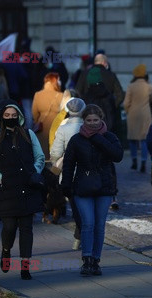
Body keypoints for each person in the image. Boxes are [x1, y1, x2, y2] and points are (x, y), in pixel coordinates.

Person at [0, 99, 45, 280]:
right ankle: (6, 250)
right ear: (1, 117)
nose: (11, 118)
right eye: (7, 115)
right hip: (8, 190)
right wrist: (0, 178)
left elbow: (40, 156)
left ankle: (25, 266)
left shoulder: (28, 134)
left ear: (19, 116)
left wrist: (34, 171)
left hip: (27, 188)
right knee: (9, 227)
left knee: (26, 228)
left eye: (14, 115)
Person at [61, 104, 124, 275]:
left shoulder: (109, 137)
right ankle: (87, 258)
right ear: (84, 120)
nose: (92, 123)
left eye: (96, 120)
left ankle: (96, 259)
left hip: (104, 186)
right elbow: (68, 164)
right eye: (89, 120)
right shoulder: (77, 140)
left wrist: (98, 138)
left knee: (99, 225)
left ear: (101, 119)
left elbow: (117, 156)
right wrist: (66, 185)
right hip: (83, 186)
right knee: (88, 223)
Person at [50, 98, 87, 250]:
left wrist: (55, 160)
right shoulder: (87, 126)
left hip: (69, 171)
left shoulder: (63, 128)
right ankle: (80, 234)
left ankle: (79, 235)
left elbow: (56, 152)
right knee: (85, 205)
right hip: (86, 171)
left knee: (74, 204)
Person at [75, 53, 124, 134]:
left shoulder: (84, 73)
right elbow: (120, 95)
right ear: (104, 63)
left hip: (88, 112)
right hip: (107, 113)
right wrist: (112, 105)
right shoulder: (111, 75)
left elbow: (77, 91)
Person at [124, 64, 152, 173]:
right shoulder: (149, 86)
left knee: (132, 140)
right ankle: (143, 162)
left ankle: (134, 161)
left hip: (133, 114)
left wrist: (128, 111)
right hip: (145, 115)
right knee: (144, 140)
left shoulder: (130, 86)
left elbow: (126, 103)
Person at [32, 72, 64, 160]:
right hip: (57, 126)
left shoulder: (38, 95)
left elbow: (34, 113)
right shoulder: (61, 95)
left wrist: (37, 121)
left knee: (43, 151)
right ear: (55, 82)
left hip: (42, 127)